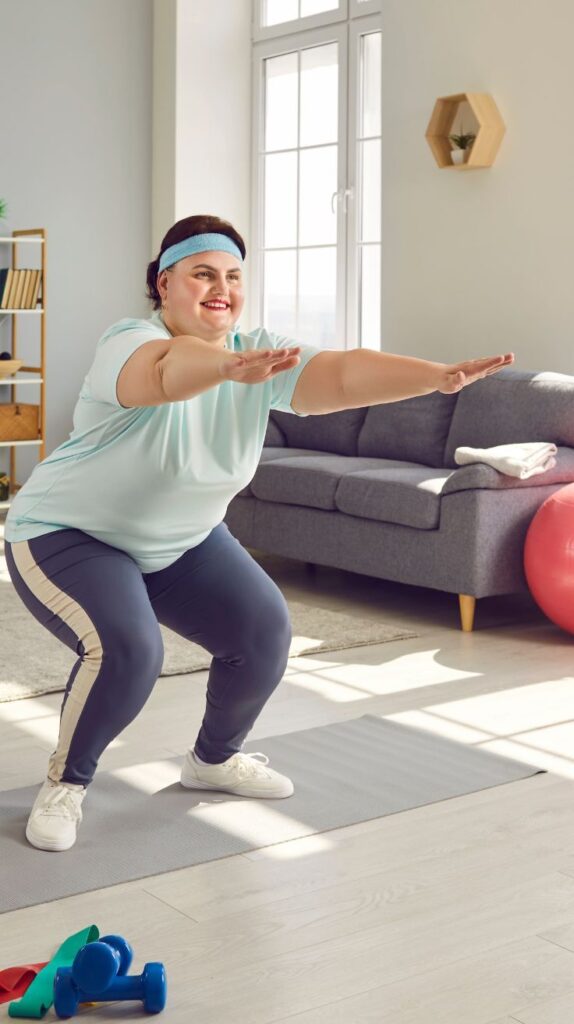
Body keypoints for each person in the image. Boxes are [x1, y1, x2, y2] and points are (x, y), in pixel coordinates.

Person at [3, 213, 514, 852]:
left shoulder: (257, 350)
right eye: (202, 274)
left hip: (181, 540)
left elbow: (344, 374)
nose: (221, 287)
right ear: (164, 284)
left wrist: (433, 379)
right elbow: (166, 372)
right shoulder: (130, 342)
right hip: (68, 533)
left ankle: (213, 760)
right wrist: (223, 370)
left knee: (265, 632)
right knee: (130, 651)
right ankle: (66, 783)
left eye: (233, 276)